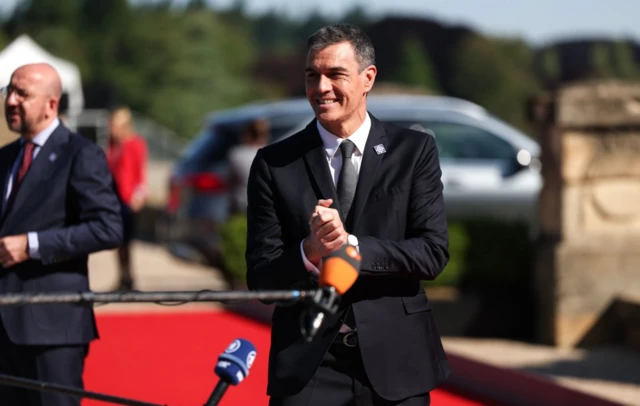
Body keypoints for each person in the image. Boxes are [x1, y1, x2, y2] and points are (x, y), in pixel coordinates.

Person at [245, 24, 451, 406]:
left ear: (367, 78)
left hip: (396, 361)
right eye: (312, 75)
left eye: (335, 75)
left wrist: (350, 246)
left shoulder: (414, 152)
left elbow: (432, 252)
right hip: (309, 364)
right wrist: (310, 251)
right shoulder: (274, 164)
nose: (321, 87)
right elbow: (261, 279)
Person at [0, 63, 123, 405]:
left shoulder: (81, 154)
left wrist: (32, 245)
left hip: (51, 328)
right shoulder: (5, 158)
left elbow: (108, 228)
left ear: (51, 104)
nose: (10, 100)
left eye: (22, 94)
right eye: (9, 91)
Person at [106, 106, 148, 291]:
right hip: (115, 197)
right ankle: (123, 276)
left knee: (126, 240)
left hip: (128, 198)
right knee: (119, 241)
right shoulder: (114, 146)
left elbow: (139, 171)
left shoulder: (134, 143)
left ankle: (128, 277)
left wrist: (139, 195)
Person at [227, 118, 270, 214]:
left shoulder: (236, 154)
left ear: (247, 134)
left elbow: (231, 181)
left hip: (241, 203)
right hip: (265, 204)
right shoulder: (271, 153)